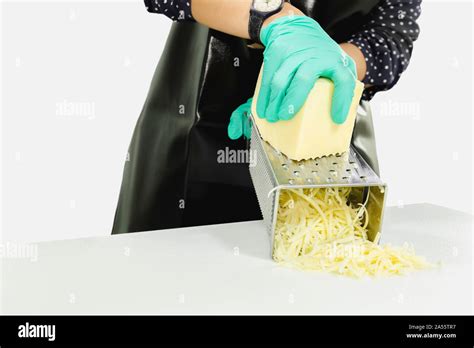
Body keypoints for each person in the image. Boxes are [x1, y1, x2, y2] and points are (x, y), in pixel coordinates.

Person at [112, 0, 421, 234]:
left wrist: (323, 73)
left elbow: (392, 35)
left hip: (332, 148)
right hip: (197, 142)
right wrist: (271, 17)